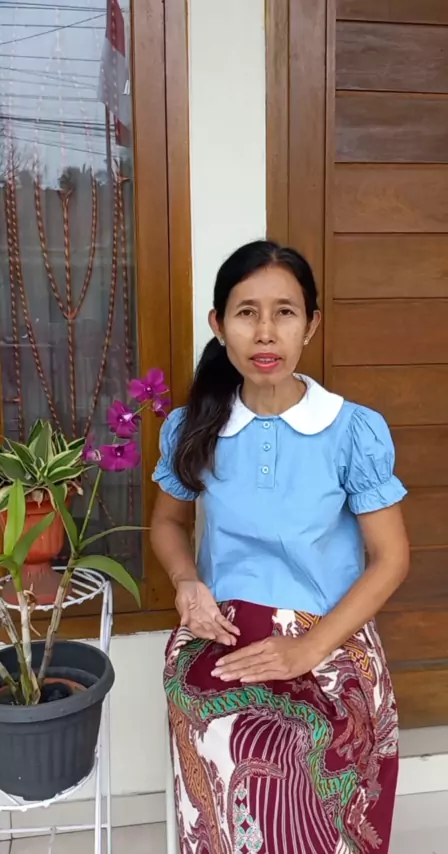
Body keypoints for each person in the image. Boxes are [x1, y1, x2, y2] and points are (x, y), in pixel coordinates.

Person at [150, 240, 409, 854]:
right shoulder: (193, 427)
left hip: (330, 643)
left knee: (311, 785)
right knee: (223, 774)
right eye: (246, 313)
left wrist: (307, 650)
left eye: (285, 312)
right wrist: (186, 582)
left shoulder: (351, 431)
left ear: (310, 324)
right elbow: (167, 524)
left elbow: (391, 558)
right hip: (221, 639)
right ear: (218, 325)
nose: (265, 332)